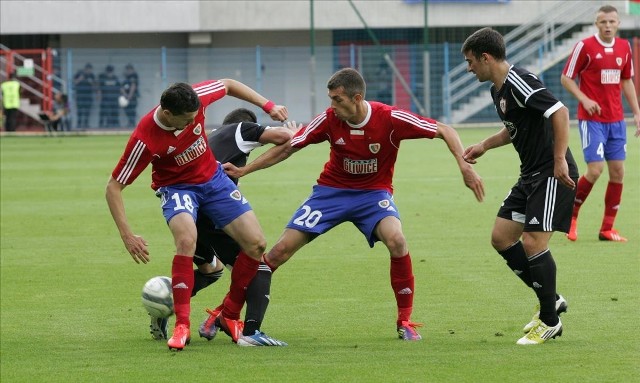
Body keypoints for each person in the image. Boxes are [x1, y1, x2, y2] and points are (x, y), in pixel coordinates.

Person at [215, 67, 485, 342]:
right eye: (330, 99)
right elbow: (290, 146)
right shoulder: (329, 119)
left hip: (373, 195)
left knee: (397, 241)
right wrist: (246, 171)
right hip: (330, 193)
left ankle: (405, 321)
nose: (332, 106)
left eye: (337, 100)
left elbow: (444, 129)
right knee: (276, 254)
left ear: (356, 98)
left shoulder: (390, 118)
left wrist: (464, 167)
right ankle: (226, 311)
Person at [105, 79, 287, 351]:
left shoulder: (197, 97)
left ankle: (229, 314)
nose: (193, 124)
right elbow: (113, 187)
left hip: (214, 180)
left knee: (256, 243)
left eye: (195, 118)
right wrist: (127, 235)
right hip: (177, 188)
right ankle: (182, 326)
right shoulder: (145, 139)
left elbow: (227, 84)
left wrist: (267, 105)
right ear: (167, 114)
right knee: (187, 240)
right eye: (187, 120)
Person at [461, 27, 579, 345]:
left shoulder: (519, 81)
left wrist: (559, 160)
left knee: (532, 243)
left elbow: (560, 112)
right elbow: (514, 128)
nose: (469, 69)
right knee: (501, 237)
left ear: (486, 58)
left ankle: (550, 320)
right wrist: (485, 144)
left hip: (551, 174)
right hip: (530, 176)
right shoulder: (497, 90)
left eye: (471, 62)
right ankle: (550, 300)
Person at [149, 107, 298, 347]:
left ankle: (161, 305)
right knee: (257, 267)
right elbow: (287, 139)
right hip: (211, 212)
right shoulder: (241, 129)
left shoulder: (208, 137)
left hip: (188, 213)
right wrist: (294, 131)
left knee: (211, 270)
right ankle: (250, 331)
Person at [560, 4, 640, 243]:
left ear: (617, 23)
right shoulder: (584, 46)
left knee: (618, 172)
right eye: (603, 22)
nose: (608, 26)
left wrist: (636, 112)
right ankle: (571, 219)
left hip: (616, 120)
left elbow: (626, 81)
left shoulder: (625, 47)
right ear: (597, 23)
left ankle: (607, 229)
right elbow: (566, 78)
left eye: (612, 22)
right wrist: (585, 99)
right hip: (591, 120)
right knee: (595, 170)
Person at [73, 63, 95, 129]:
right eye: (88, 69)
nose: (89, 71)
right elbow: (74, 82)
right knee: (79, 111)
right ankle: (79, 124)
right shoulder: (79, 74)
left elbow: (95, 85)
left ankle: (86, 124)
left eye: (90, 69)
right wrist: (80, 78)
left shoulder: (91, 75)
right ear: (85, 69)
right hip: (80, 96)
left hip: (88, 96)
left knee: (87, 111)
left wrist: (91, 82)